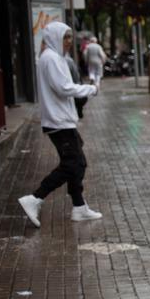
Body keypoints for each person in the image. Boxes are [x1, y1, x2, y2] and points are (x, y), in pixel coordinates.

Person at [18, 21, 102, 228]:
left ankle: (79, 207)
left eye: (70, 37)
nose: (69, 41)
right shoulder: (52, 59)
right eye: (65, 37)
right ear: (54, 37)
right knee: (72, 163)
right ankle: (35, 198)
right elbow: (64, 88)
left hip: (62, 120)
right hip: (58, 121)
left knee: (78, 162)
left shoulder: (53, 58)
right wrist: (90, 90)